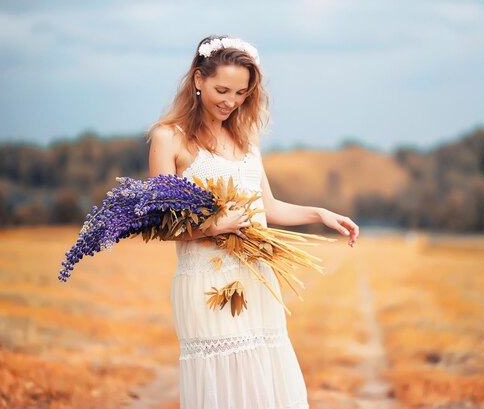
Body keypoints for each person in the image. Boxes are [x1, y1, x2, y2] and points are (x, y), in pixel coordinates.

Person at [145, 34, 359, 409]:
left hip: (257, 277)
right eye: (222, 89)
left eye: (241, 93)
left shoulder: (246, 141)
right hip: (206, 283)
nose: (230, 101)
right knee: (225, 389)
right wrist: (214, 226)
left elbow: (269, 208)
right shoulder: (169, 138)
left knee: (265, 386)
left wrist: (320, 214)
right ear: (198, 80)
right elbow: (161, 223)